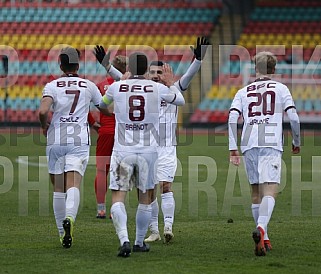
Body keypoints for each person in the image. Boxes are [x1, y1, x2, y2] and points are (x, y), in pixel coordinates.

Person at [94, 37, 210, 243]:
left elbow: (189, 77)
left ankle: (168, 226)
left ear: (164, 74)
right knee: (148, 192)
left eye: (160, 73)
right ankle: (153, 231)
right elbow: (124, 79)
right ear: (147, 74)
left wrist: (198, 61)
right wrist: (107, 65)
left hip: (165, 148)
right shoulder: (149, 88)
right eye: (153, 73)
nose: (156, 76)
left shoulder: (172, 87)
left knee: (165, 186)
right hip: (149, 148)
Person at [99, 52, 185, 257]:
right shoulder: (157, 88)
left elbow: (102, 105)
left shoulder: (117, 86)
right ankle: (139, 242)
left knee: (118, 196)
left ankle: (124, 239)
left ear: (128, 68)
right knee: (146, 197)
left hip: (122, 149)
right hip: (149, 151)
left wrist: (121, 87)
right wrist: (170, 83)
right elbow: (179, 100)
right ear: (146, 70)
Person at [228, 51, 301, 256]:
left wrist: (232, 147)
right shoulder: (281, 88)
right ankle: (261, 228)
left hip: (249, 143)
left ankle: (265, 238)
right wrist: (296, 141)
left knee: (255, 192)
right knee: (270, 190)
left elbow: (232, 118)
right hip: (270, 142)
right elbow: (293, 117)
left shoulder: (243, 91)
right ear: (274, 69)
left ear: (255, 68)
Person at [38, 47, 110, 248]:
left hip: (56, 139)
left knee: (58, 189)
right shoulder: (88, 85)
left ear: (60, 65)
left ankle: (63, 234)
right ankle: (70, 217)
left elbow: (43, 110)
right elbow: (103, 107)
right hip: (79, 140)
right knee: (73, 185)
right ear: (78, 65)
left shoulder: (52, 85)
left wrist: (44, 125)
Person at [88, 53, 128, 219]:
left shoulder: (101, 85)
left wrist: (92, 122)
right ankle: (116, 208)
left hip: (105, 131)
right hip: (123, 133)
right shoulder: (128, 86)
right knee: (120, 171)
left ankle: (101, 208)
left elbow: (84, 106)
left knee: (101, 170)